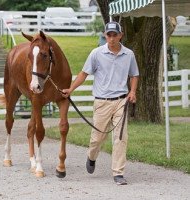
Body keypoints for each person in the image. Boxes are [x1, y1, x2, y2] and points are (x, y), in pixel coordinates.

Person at [62, 21, 139, 185]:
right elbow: (83, 74)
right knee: (97, 138)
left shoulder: (129, 55)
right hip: (102, 102)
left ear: (121, 35)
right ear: (105, 35)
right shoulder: (96, 54)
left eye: (114, 35)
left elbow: (134, 75)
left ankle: (118, 173)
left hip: (121, 101)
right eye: (108, 35)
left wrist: (132, 92)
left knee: (120, 137)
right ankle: (91, 156)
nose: (111, 38)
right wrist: (71, 89)